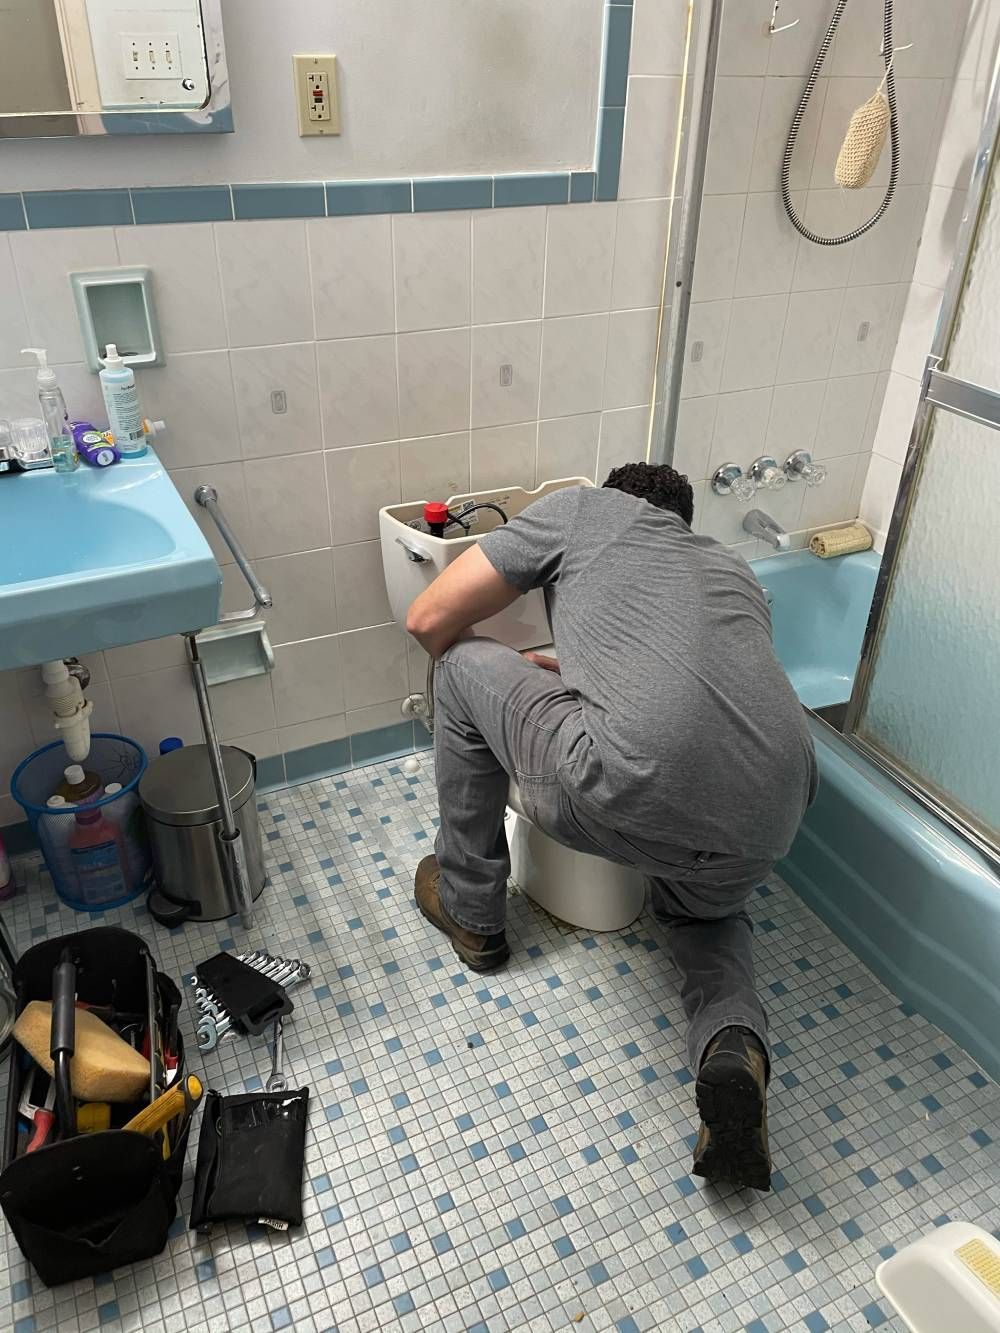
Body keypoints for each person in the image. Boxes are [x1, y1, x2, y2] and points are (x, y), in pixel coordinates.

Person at [405, 463, 817, 1191]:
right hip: (779, 797)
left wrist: (511, 687)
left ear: (613, 494)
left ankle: (473, 912)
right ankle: (732, 1045)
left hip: (628, 783)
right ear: (680, 523)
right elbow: (693, 689)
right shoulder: (730, 570)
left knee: (463, 664)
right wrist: (565, 675)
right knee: (704, 915)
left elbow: (428, 618)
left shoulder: (582, 511)